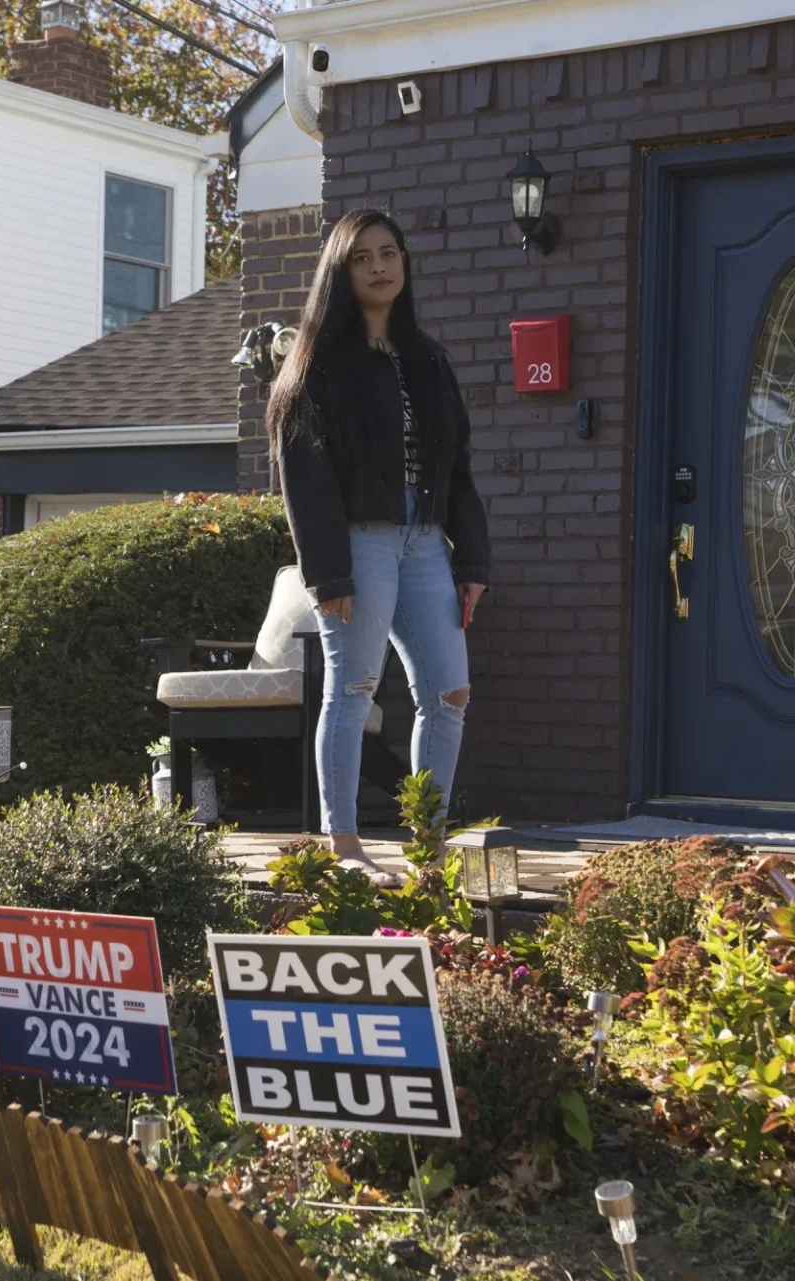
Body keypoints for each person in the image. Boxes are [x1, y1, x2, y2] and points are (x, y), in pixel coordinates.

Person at [266, 209, 491, 883]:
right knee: (354, 690)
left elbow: (459, 468)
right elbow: (303, 479)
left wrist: (472, 561)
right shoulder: (318, 365)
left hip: (426, 545)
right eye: (363, 257)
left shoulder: (428, 360)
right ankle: (345, 846)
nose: (380, 266)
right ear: (342, 271)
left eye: (389, 252)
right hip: (358, 546)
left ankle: (428, 842)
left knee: (450, 692)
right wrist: (327, 571)